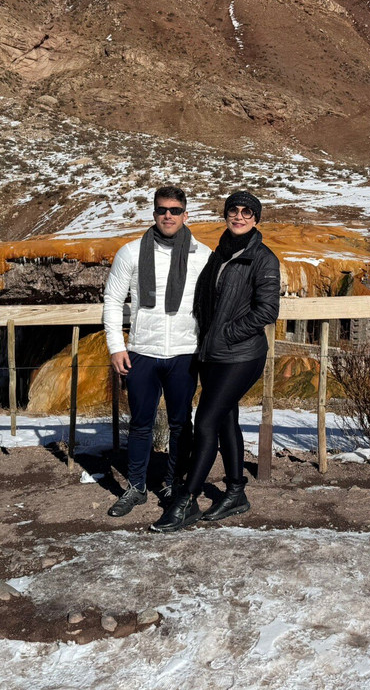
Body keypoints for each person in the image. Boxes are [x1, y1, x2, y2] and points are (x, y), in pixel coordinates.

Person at [150, 190, 281, 533]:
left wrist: (225, 333)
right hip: (213, 353)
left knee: (205, 421)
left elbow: (267, 311)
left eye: (247, 212)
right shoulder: (219, 253)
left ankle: (187, 501)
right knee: (225, 419)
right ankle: (236, 492)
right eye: (233, 211)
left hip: (242, 354)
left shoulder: (263, 258)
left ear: (256, 219)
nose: (239, 217)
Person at [102, 186, 212, 517]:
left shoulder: (201, 255)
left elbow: (212, 303)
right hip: (142, 351)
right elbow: (112, 300)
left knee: (181, 422)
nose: (168, 215)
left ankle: (172, 483)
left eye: (175, 210)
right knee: (140, 423)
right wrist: (116, 346)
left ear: (185, 214)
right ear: (154, 213)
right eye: (162, 209)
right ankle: (136, 487)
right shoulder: (131, 253)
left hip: (183, 352)